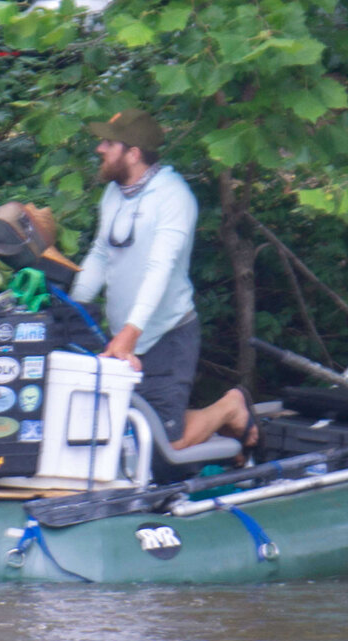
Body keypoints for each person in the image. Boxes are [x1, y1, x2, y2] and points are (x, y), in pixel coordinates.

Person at [68, 110, 251, 451]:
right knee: (119, 435)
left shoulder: (173, 197)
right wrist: (73, 306)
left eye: (108, 143)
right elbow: (99, 254)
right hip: (123, 338)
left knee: (162, 443)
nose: (99, 149)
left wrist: (130, 332)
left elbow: (160, 269)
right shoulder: (113, 194)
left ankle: (229, 407)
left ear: (133, 153)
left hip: (166, 336)